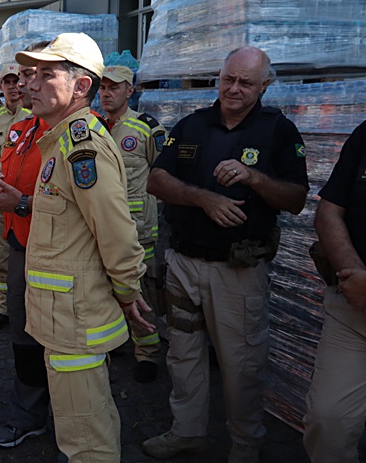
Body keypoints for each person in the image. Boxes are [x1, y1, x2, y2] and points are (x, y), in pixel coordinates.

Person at [142, 47, 308, 463]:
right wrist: (205, 199)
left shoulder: (279, 131)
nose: (233, 89)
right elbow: (157, 180)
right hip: (183, 263)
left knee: (242, 365)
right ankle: (187, 432)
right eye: (228, 79)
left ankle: (245, 446)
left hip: (237, 271)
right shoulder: (193, 124)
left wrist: (253, 177)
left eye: (245, 83)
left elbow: (296, 199)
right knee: (182, 354)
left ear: (264, 86)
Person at [14, 33, 152, 462]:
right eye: (32, 74)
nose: (31, 83)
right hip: (64, 318)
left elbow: (116, 232)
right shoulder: (62, 141)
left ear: (81, 86)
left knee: (87, 443)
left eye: (46, 74)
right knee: (87, 424)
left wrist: (128, 292)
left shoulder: (82, 146)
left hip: (74, 321)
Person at [0, 40, 52, 449]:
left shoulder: (81, 132)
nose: (24, 84)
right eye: (21, 76)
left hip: (61, 253)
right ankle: (30, 413)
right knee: (23, 337)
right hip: (21, 243)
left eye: (34, 75)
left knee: (64, 345)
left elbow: (78, 205)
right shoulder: (21, 130)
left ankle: (75, 426)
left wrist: (20, 202)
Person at [303, 120, 366, 463]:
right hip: (354, 310)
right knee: (327, 422)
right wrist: (356, 276)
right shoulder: (364, 134)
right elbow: (328, 211)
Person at [99, 65, 167, 383]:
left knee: (140, 288)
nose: (106, 93)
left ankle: (147, 352)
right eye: (103, 87)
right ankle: (115, 340)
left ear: (130, 90)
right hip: (102, 225)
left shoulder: (146, 128)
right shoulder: (95, 128)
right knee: (104, 287)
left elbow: (162, 175)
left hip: (138, 228)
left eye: (114, 87)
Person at [0, 62, 33, 333]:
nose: (13, 87)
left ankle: (28, 308)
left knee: (28, 258)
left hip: (26, 201)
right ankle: (3, 307)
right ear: (0, 87)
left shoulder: (34, 117)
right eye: (7, 82)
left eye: (16, 81)